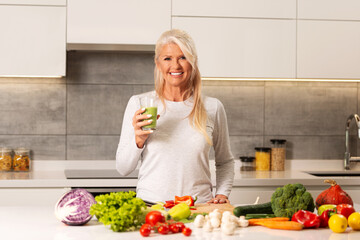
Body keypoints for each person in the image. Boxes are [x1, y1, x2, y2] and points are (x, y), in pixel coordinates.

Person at [116, 29, 234, 204]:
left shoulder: (212, 107)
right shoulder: (140, 104)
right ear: (158, 63)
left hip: (198, 208)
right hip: (151, 208)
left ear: (193, 63)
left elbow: (225, 161)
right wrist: (138, 140)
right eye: (168, 58)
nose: (176, 66)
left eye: (183, 57)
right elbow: (123, 168)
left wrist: (222, 194)